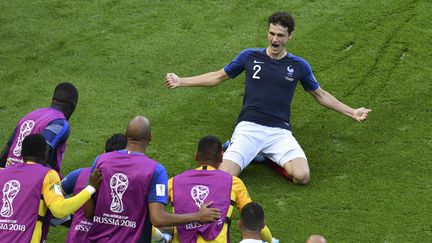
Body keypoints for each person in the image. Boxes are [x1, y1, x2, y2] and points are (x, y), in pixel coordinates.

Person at [165, 11, 371, 184]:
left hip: (279, 132)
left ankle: (265, 157)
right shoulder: (249, 56)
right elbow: (217, 77)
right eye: (272, 33)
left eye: (280, 35)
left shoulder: (299, 66)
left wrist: (352, 112)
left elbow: (320, 95)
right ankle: (246, 150)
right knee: (223, 178)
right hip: (249, 128)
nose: (274, 40)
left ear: (290, 36)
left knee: (302, 176)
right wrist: (181, 81)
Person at [85, 116, 221, 242]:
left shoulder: (101, 161)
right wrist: (197, 216)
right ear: (150, 137)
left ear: (126, 134)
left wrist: (90, 190)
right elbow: (158, 218)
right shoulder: (155, 170)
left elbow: (88, 213)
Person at [62, 133, 171, 243]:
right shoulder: (137, 180)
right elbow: (142, 222)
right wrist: (164, 238)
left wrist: (68, 219)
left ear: (104, 153)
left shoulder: (80, 174)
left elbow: (52, 196)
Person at [168, 135, 277, 243]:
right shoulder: (234, 183)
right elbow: (252, 218)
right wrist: (271, 240)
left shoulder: (173, 182)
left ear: (196, 155)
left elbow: (155, 215)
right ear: (221, 157)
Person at [0, 134, 101, 243]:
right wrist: (90, 188)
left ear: (22, 154)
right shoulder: (48, 175)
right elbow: (59, 210)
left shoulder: (3, 172)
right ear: (45, 153)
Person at [0, 82, 79, 173]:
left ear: (53, 99)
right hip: (29, 179)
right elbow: (41, 153)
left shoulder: (30, 115)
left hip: (9, 176)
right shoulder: (60, 123)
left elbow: (5, 153)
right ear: (74, 105)